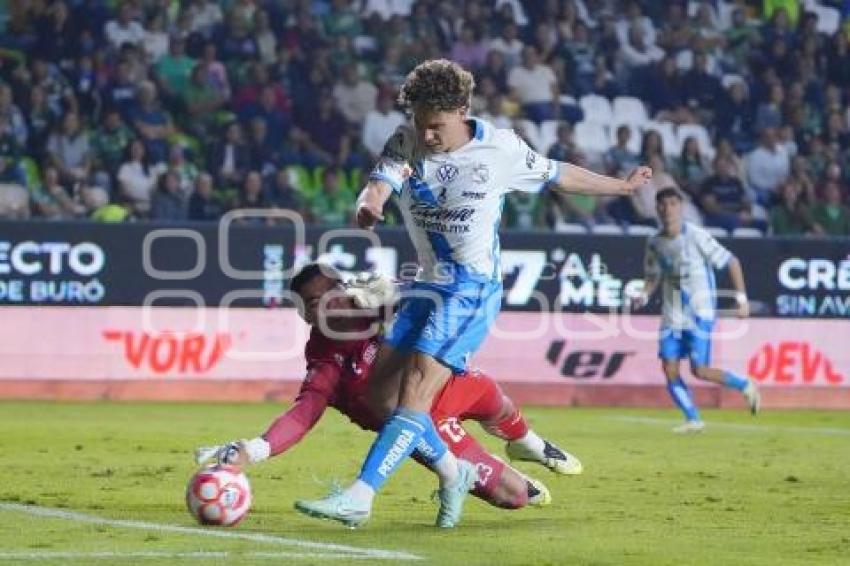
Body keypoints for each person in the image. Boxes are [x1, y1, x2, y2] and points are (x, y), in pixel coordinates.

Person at [296, 59, 650, 528]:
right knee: (379, 399)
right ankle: (454, 471)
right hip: (427, 285)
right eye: (421, 124)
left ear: (462, 111)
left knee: (415, 393)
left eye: (437, 127)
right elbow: (379, 184)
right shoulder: (406, 139)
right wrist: (369, 204)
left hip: (470, 289)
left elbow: (558, 174)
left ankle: (360, 496)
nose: (427, 136)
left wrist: (622, 187)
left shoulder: (500, 149)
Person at [196, 264, 583, 513]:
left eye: (326, 295)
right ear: (303, 315)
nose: (321, 308)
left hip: (449, 383)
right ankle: (507, 467)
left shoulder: (376, 299)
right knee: (514, 497)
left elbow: (439, 294)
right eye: (310, 305)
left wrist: (403, 291)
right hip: (424, 426)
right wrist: (255, 449)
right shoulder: (325, 358)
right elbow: (304, 413)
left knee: (495, 402)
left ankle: (530, 444)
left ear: (343, 287)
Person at [632, 188, 761, 433]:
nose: (668, 209)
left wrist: (741, 299)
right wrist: (643, 295)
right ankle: (693, 419)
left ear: (681, 207)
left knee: (700, 370)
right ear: (657, 209)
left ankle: (745, 385)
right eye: (663, 204)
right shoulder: (654, 242)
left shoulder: (696, 236)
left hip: (699, 313)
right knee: (669, 369)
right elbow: (652, 277)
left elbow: (732, 261)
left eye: (673, 203)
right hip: (671, 315)